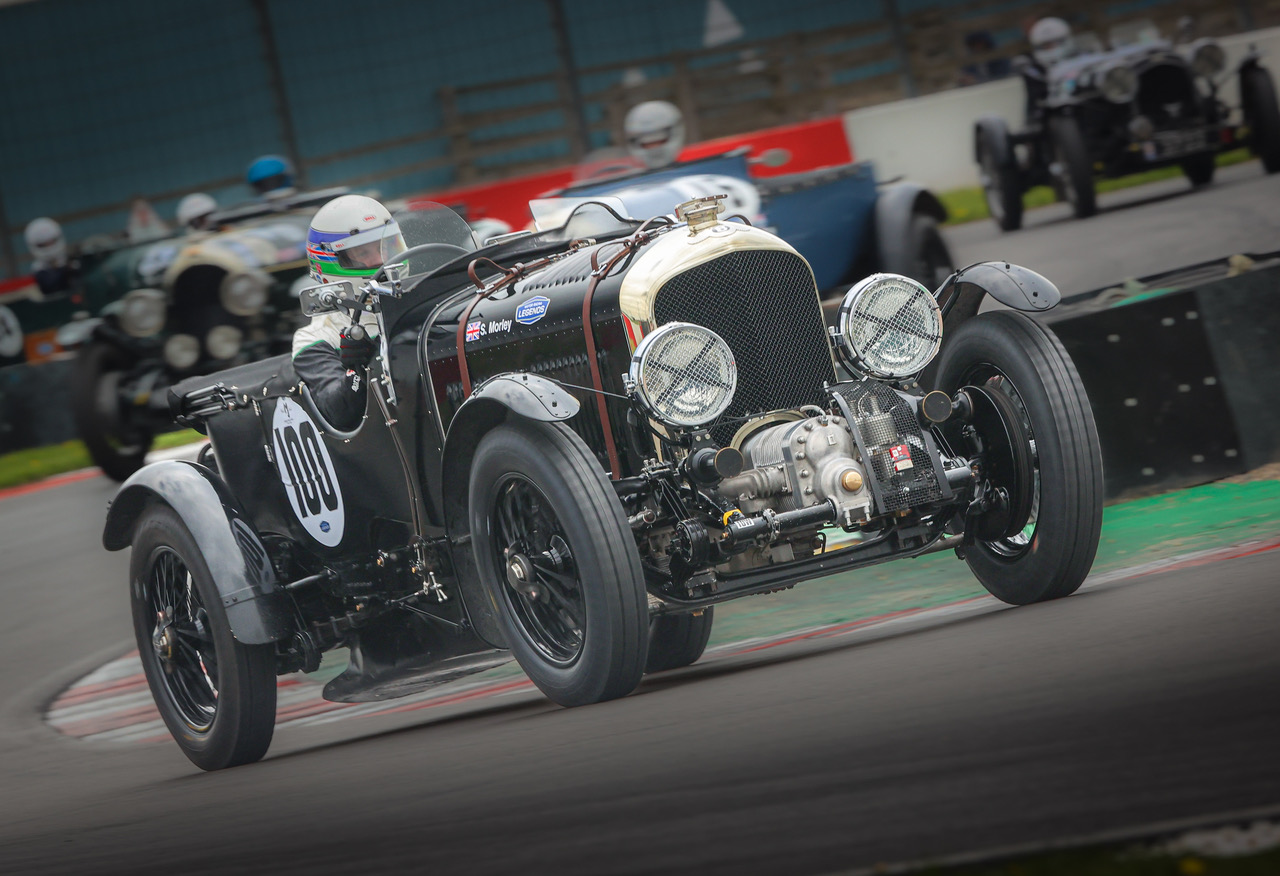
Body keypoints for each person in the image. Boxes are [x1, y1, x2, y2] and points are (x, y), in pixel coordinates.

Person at [293, 194, 406, 430]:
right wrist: (356, 367)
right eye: (363, 253)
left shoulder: (422, 296)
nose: (380, 260)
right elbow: (340, 414)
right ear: (329, 261)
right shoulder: (316, 337)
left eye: (384, 247)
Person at [623, 100, 686, 169]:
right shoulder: (630, 176)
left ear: (674, 134)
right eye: (646, 143)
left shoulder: (692, 170)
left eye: (660, 140)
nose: (654, 147)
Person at [24, 217, 77, 296]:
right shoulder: (39, 269)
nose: (49, 247)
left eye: (51, 242)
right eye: (43, 245)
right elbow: (50, 286)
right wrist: (65, 270)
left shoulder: (72, 260)